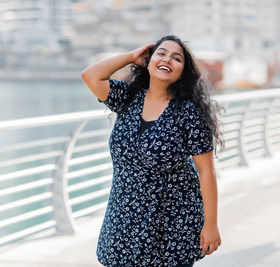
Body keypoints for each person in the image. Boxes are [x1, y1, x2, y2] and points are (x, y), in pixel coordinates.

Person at [81, 35, 224, 267]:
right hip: (124, 213)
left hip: (169, 219)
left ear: (182, 71)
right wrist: (130, 56)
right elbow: (90, 76)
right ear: (148, 61)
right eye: (161, 53)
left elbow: (206, 171)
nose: (167, 59)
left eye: (176, 58)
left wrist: (211, 225)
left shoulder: (188, 112)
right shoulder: (128, 97)